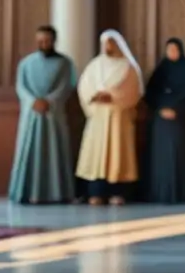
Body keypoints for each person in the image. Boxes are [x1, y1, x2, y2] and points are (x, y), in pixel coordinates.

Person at [8, 25, 77, 204]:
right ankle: (26, 193)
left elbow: (66, 86)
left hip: (53, 116)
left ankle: (57, 194)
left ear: (54, 41)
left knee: (54, 151)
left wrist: (49, 101)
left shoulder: (65, 63)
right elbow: (20, 87)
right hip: (31, 115)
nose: (43, 43)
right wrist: (33, 101)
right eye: (40, 41)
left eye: (47, 41)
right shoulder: (26, 63)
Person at [75, 30, 143, 206]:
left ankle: (117, 193)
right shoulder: (95, 66)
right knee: (96, 156)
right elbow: (84, 87)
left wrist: (112, 96)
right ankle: (95, 193)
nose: (108, 46)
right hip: (98, 118)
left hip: (118, 118)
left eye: (111, 43)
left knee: (117, 155)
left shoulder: (128, 67)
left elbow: (132, 91)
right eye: (105, 43)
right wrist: (94, 96)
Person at [144, 38, 185, 204]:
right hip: (161, 120)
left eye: (175, 50)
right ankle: (161, 193)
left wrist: (177, 108)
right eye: (169, 50)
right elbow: (150, 94)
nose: (172, 53)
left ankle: (182, 193)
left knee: (180, 156)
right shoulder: (160, 71)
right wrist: (162, 108)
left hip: (183, 120)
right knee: (162, 158)